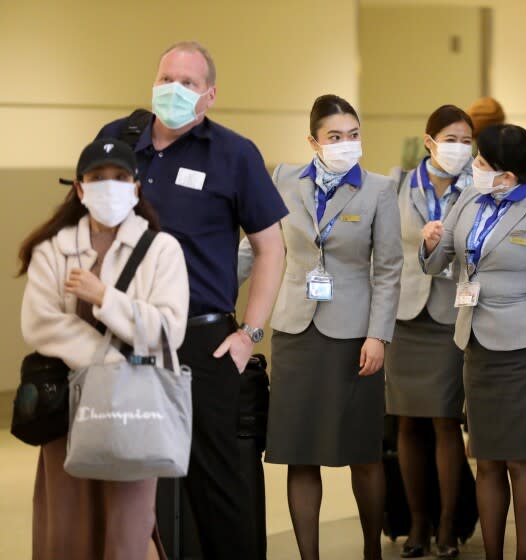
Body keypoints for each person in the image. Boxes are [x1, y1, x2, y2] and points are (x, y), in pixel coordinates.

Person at [97, 41, 288, 559]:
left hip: (202, 339)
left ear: (209, 94)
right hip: (125, 333)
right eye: (166, 78)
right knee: (128, 478)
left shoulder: (233, 153)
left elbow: (271, 250)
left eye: (187, 82)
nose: (174, 90)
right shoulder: (117, 141)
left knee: (217, 483)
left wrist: (249, 334)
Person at [241, 94, 402, 560]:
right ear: (313, 140)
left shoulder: (378, 189)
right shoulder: (283, 180)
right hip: (295, 330)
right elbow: (257, 247)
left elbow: (389, 268)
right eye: (335, 137)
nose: (346, 144)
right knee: (299, 450)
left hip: (355, 336)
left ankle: (372, 549)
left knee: (363, 452)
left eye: (353, 135)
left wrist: (379, 335)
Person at [19, 138, 189, 560]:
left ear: (135, 188)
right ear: (79, 188)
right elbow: (41, 323)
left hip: (135, 407)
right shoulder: (52, 249)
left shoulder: (160, 249)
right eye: (97, 178)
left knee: (129, 527)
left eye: (119, 178)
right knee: (69, 526)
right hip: (67, 407)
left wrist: (104, 298)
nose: (108, 187)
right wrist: (109, 363)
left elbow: (169, 330)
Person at [422, 124, 526, 560]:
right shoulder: (469, 198)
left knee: (522, 460)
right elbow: (439, 262)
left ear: (508, 175)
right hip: (475, 343)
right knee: (486, 460)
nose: (474, 168)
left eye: (483, 163)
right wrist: (428, 243)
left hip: (524, 349)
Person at [384, 105, 473, 558]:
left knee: (445, 420)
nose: (459, 147)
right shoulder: (398, 184)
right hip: (403, 313)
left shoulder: (478, 186)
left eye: (466, 139)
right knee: (406, 421)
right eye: (451, 138)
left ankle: (447, 523)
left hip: (451, 313)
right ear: (429, 141)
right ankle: (416, 520)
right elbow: (382, 249)